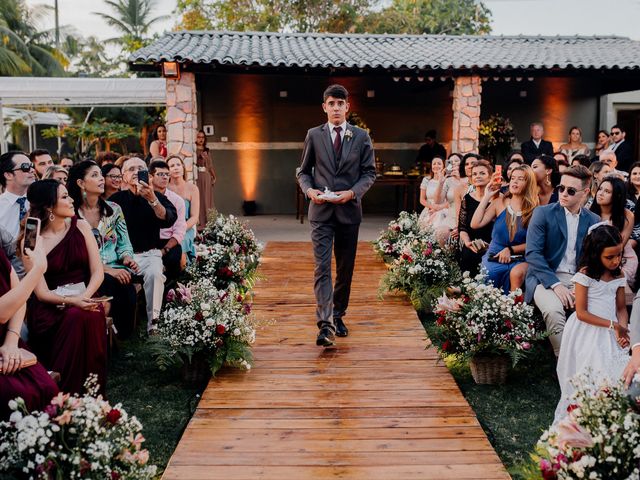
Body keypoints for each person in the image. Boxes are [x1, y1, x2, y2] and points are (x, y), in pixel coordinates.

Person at [296, 84, 376, 347]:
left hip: (349, 212)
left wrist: (352, 193)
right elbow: (303, 171)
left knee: (344, 269)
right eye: (331, 103)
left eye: (340, 104)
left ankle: (339, 314)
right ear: (325, 107)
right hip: (320, 211)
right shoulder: (314, 135)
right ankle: (325, 324)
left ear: (347, 107)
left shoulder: (361, 136)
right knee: (322, 268)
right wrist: (309, 191)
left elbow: (369, 173)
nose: (336, 108)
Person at [24, 180, 107, 395]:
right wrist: (71, 302)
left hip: (84, 296)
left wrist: (85, 297)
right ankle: (65, 394)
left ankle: (91, 394)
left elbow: (97, 271)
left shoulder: (80, 226)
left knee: (85, 315)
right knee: (76, 316)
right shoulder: (32, 238)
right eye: (64, 197)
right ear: (49, 206)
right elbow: (40, 293)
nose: (71, 200)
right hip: (49, 305)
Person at [554, 224, 629, 421]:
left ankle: (610, 416)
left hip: (613, 329)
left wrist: (622, 328)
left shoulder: (619, 275)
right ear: (596, 254)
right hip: (586, 331)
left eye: (619, 255)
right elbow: (581, 312)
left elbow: (621, 308)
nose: (616, 261)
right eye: (609, 257)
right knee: (592, 370)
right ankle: (585, 415)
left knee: (616, 372)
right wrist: (613, 326)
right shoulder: (585, 275)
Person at [525, 165, 600, 356]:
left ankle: (589, 357)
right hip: (545, 278)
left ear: (585, 193)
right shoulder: (543, 213)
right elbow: (533, 254)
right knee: (553, 312)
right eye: (561, 188)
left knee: (597, 309)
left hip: (579, 279)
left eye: (571, 190)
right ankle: (564, 362)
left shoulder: (594, 220)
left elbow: (594, 259)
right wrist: (555, 284)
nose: (564, 194)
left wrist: (580, 283)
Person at [68, 160, 139, 339]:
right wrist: (108, 270)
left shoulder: (114, 210)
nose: (101, 179)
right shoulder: (71, 214)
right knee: (116, 283)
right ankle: (112, 335)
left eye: (101, 174)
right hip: (85, 271)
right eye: (94, 175)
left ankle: (121, 336)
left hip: (116, 267)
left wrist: (127, 258)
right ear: (80, 183)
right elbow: (76, 253)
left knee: (126, 285)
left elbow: (124, 244)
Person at [109, 157, 177, 333]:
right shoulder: (115, 200)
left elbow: (169, 219)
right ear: (124, 176)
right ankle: (120, 330)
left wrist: (152, 199)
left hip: (149, 254)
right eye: (131, 169)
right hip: (121, 257)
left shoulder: (158, 197)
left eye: (140, 168)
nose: (136, 172)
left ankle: (153, 325)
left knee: (155, 274)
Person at [0, 236, 58, 420]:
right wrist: (37, 270)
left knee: (46, 387)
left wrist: (11, 341)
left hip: (7, 343)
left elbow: (19, 299)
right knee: (15, 395)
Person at [472, 164, 538, 293]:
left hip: (519, 258)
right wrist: (487, 196)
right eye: (513, 178)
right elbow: (475, 224)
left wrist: (510, 250)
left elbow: (535, 242)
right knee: (490, 274)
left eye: (521, 179)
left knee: (516, 277)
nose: (515, 181)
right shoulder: (500, 203)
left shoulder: (535, 209)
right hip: (494, 256)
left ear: (529, 183)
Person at [589, 177, 637, 287]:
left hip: (620, 257)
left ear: (617, 195)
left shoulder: (627, 215)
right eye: (600, 189)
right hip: (592, 258)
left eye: (607, 191)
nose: (600, 193)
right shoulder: (589, 212)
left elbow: (620, 244)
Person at [150, 160, 186, 281]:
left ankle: (171, 296)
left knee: (173, 259)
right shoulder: (143, 197)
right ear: (151, 176)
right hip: (148, 242)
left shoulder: (177, 200)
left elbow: (179, 231)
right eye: (160, 174)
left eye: (167, 174)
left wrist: (165, 249)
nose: (165, 177)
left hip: (169, 242)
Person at [458, 160, 494, 276]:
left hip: (492, 244)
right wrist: (467, 242)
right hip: (471, 244)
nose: (478, 176)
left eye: (482, 173)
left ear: (490, 177)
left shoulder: (497, 199)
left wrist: (492, 245)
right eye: (475, 174)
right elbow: (462, 227)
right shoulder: (467, 199)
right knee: (468, 255)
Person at [167, 155, 199, 264]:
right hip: (167, 226)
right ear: (168, 171)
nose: (176, 168)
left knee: (181, 243)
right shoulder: (164, 188)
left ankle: (183, 276)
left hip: (185, 227)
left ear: (183, 168)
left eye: (178, 165)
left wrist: (180, 229)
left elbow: (194, 217)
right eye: (172, 166)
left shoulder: (192, 188)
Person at [0, 151, 36, 242]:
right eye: (25, 167)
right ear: (8, 175)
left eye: (31, 165)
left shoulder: (40, 201)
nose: (32, 170)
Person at [431, 154, 464, 244]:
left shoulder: (469, 179)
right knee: (441, 233)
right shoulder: (448, 181)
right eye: (451, 161)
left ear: (462, 163)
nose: (454, 163)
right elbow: (437, 201)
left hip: (465, 217)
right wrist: (441, 182)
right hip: (451, 217)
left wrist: (459, 179)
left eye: (456, 161)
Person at [195, 130, 216, 229]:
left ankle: (209, 222)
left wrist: (214, 176)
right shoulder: (193, 149)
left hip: (206, 176)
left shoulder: (207, 150)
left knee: (207, 198)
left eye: (202, 137)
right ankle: (200, 222)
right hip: (198, 176)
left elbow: (210, 165)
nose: (201, 139)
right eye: (199, 137)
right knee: (200, 197)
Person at [418, 156, 445, 229]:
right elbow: (422, 199)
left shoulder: (447, 180)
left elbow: (450, 201)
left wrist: (438, 208)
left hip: (443, 209)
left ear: (443, 166)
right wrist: (432, 207)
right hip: (429, 209)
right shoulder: (426, 180)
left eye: (439, 164)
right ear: (431, 166)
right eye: (434, 164)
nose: (436, 166)